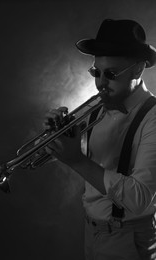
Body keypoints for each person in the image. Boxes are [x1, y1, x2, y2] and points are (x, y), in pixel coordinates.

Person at [43, 19, 156, 260]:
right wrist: (54, 140)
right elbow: (76, 153)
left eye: (111, 73)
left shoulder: (153, 118)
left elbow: (140, 198)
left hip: (129, 240)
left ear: (137, 69)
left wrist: (76, 161)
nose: (100, 83)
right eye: (96, 72)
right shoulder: (97, 105)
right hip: (91, 232)